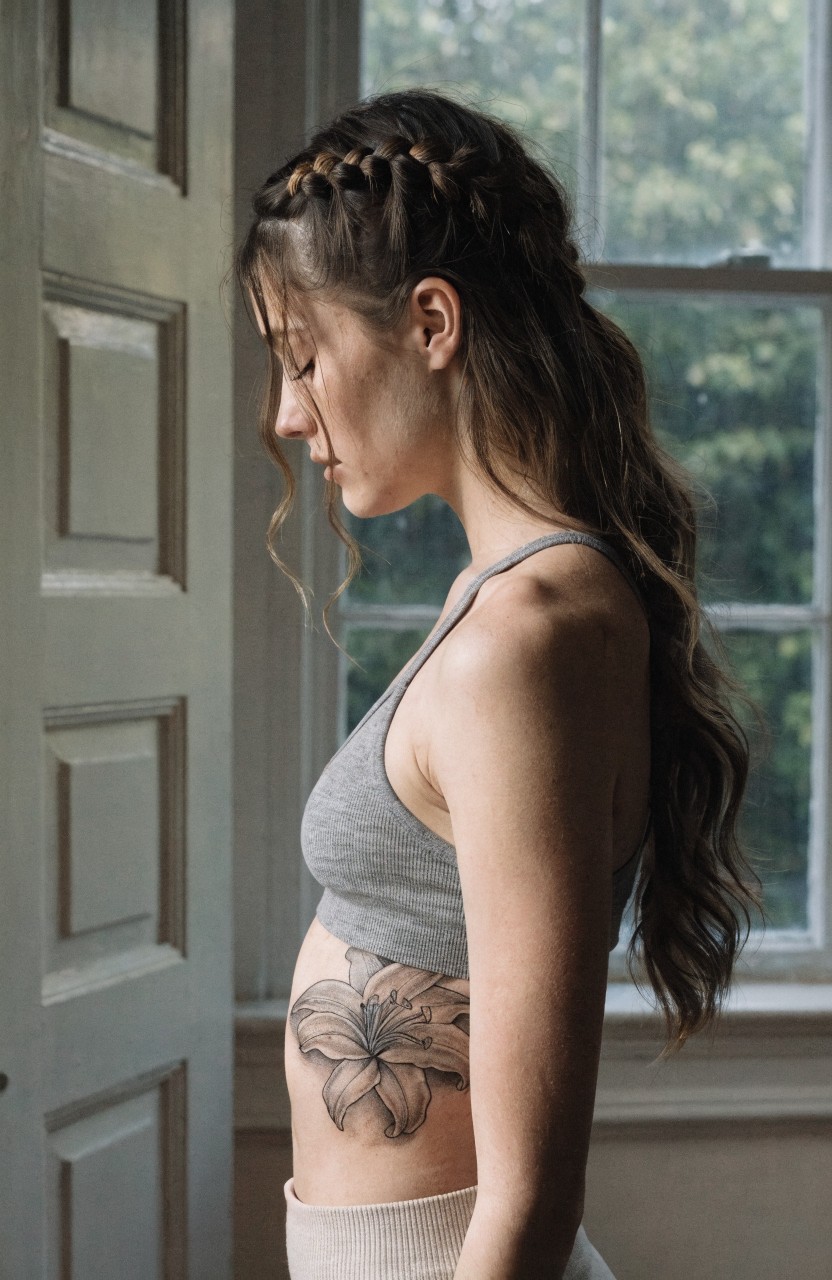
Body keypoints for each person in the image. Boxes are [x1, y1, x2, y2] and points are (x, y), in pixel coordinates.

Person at [236, 89, 760, 1280]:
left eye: (304, 358)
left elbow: (529, 1196)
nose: (287, 413)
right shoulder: (507, 597)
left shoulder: (524, 635)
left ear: (431, 320)